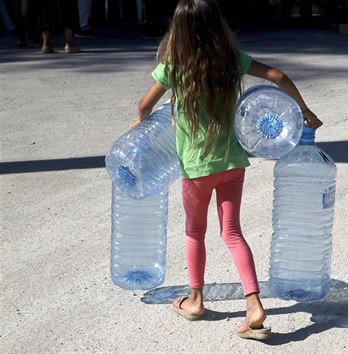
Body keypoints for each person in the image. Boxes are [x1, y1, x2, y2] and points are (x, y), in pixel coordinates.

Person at [130, 0, 323, 341]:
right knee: (232, 233)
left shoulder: (174, 67)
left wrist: (141, 125)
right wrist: (304, 111)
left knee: (194, 232)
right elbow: (278, 75)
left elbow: (144, 104)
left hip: (197, 169)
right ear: (217, 26)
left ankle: (195, 300)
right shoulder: (231, 61)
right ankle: (254, 304)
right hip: (232, 164)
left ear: (179, 31)